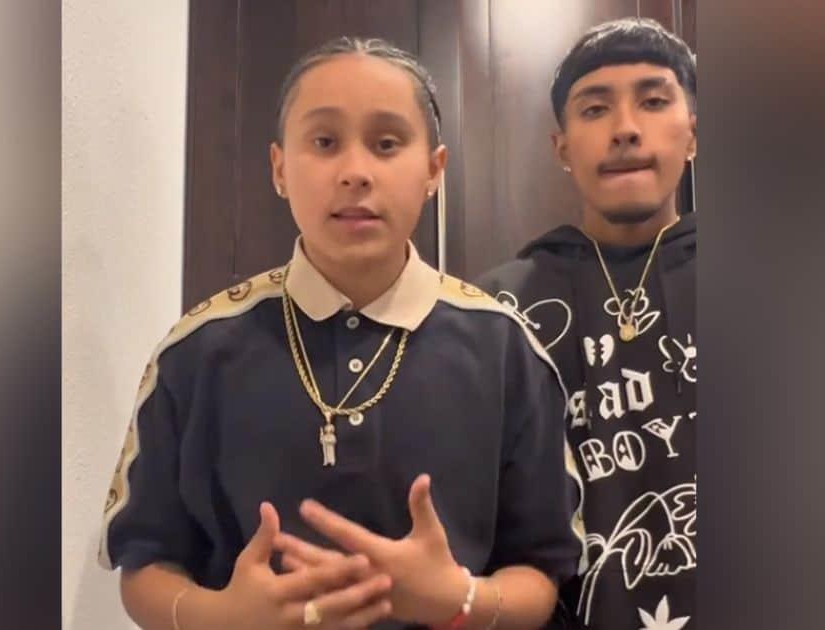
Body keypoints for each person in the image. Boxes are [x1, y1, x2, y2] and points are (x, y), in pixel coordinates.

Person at [99, 36, 583, 629]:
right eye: (325, 142)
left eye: (386, 144)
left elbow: (540, 571)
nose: (355, 173)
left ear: (434, 170)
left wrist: (460, 600)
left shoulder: (507, 349)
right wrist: (222, 617)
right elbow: (145, 565)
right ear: (280, 168)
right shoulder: (195, 352)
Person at [477, 18, 697, 629]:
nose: (625, 128)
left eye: (653, 101)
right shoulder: (495, 313)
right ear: (562, 148)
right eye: (595, 109)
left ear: (693, 134)